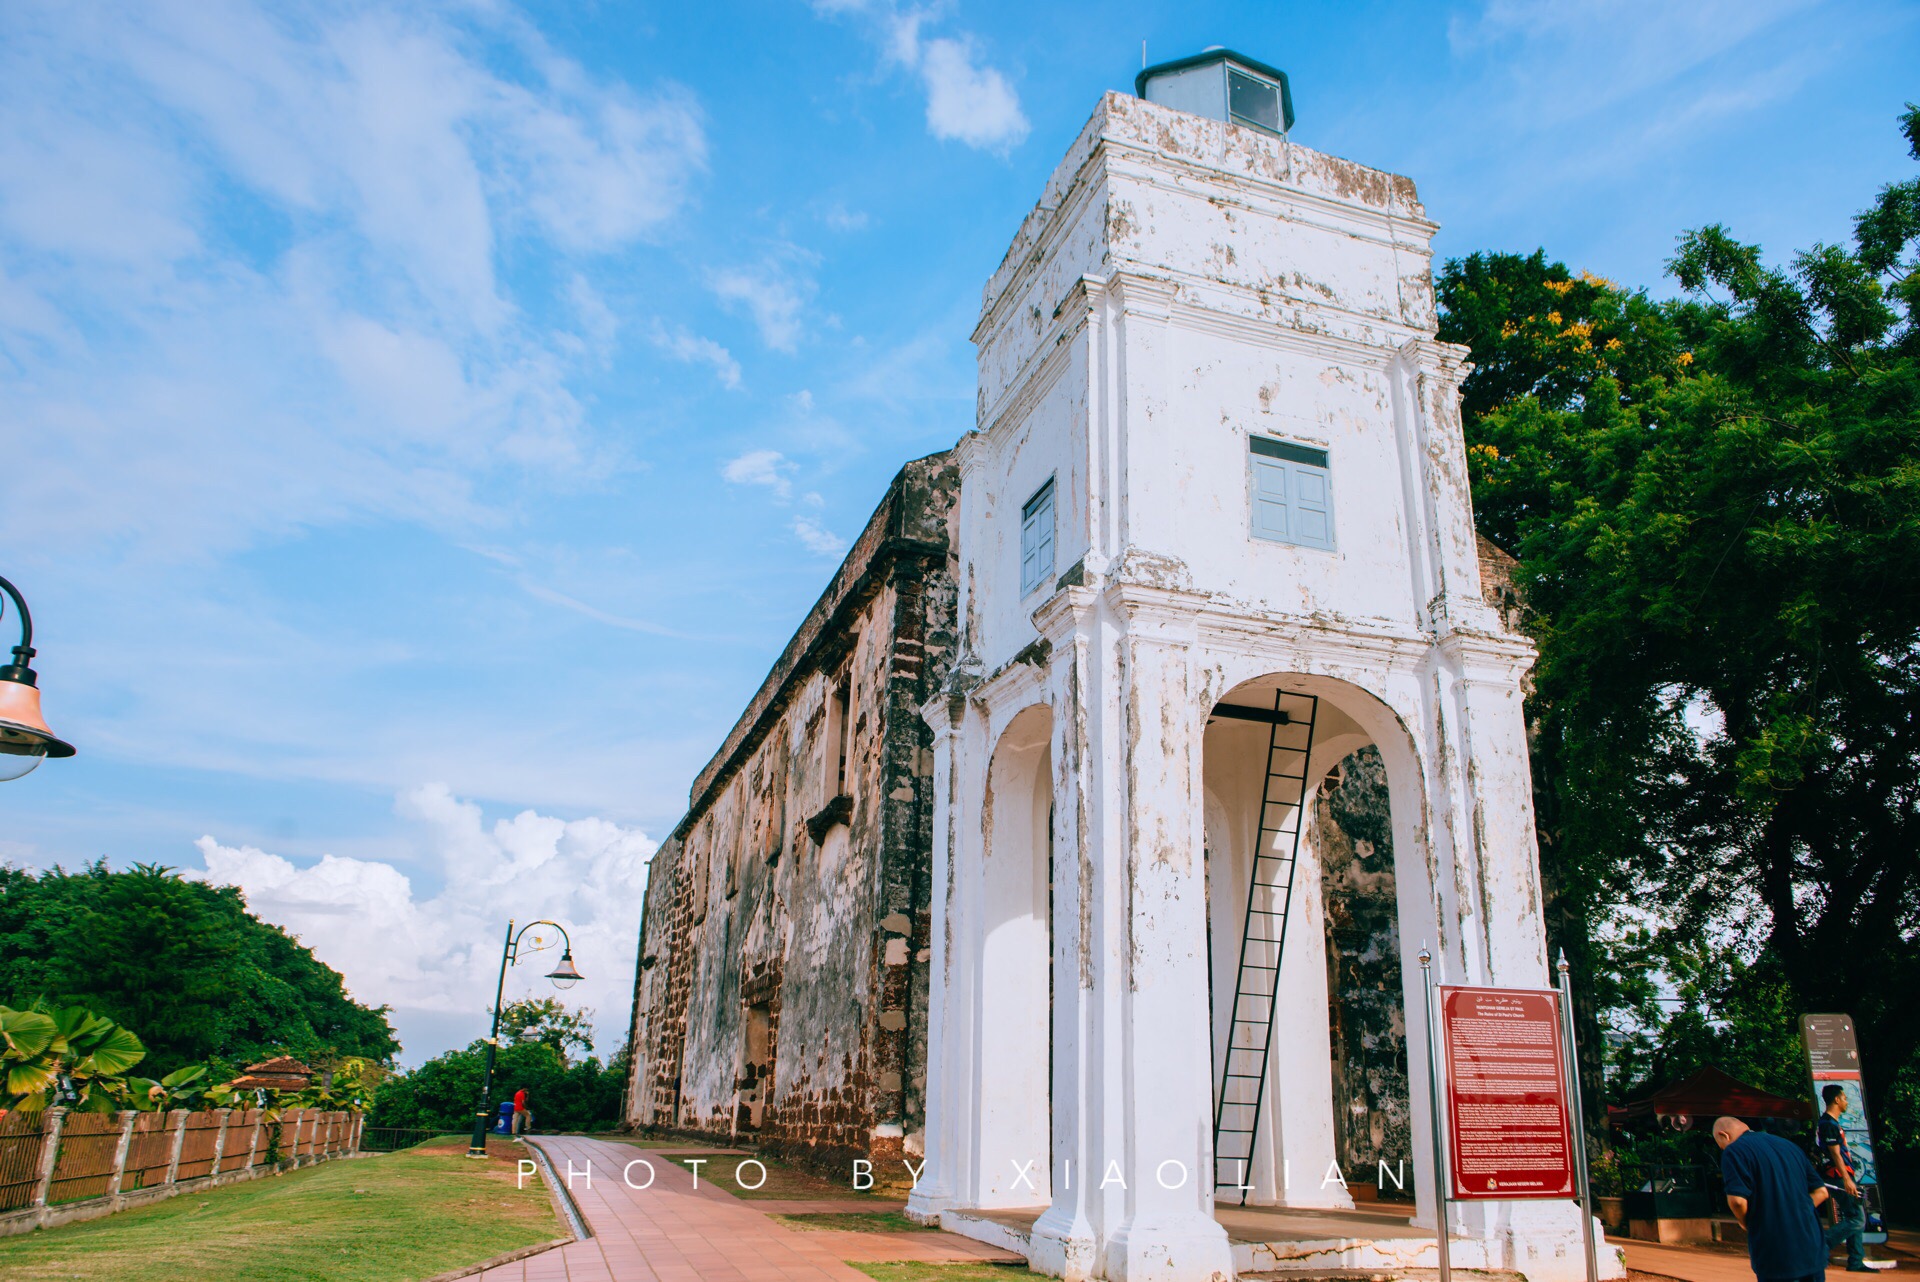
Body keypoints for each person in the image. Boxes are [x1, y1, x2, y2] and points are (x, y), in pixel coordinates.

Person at [1713, 1116, 1829, 1282]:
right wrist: (1796, 1210)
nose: (1723, 1149)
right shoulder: (1789, 1146)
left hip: (1775, 1249)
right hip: (1811, 1244)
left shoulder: (1735, 1150)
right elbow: (1822, 1192)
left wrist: (1747, 1222)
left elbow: (1737, 1201)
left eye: (1721, 1145)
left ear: (1724, 1135)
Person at [1816, 1084, 1872, 1272]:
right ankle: (1820, 1245)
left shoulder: (1831, 1123)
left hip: (1842, 1175)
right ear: (1837, 1100)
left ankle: (1856, 1262)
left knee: (1854, 1215)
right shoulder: (1827, 1124)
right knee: (1857, 1218)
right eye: (1845, 1098)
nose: (1847, 1102)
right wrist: (1847, 1179)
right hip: (1838, 1176)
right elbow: (1835, 1154)